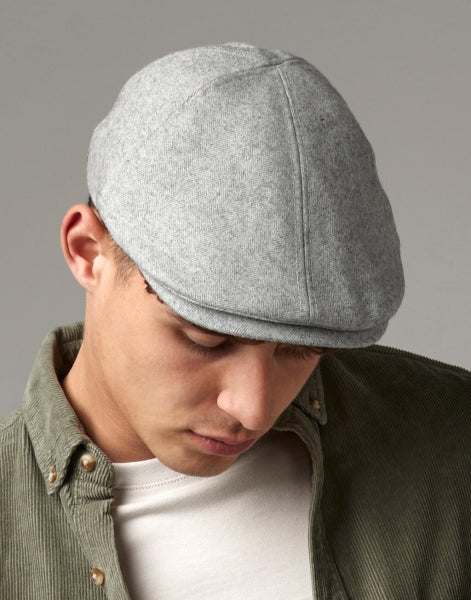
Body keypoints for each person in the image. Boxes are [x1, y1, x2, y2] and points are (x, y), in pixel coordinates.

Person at [1, 42, 469, 600]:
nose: (253, 409)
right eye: (207, 339)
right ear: (88, 253)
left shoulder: (454, 445)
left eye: (300, 349)